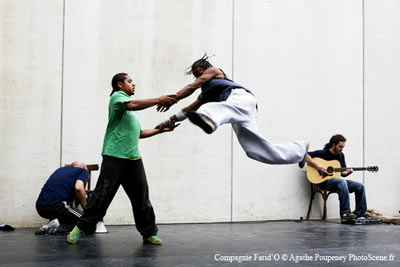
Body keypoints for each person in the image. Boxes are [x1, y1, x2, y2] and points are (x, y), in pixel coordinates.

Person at [67, 73, 177, 245]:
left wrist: (160, 130)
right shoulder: (118, 98)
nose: (134, 84)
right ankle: (80, 228)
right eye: (129, 81)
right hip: (114, 157)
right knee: (102, 196)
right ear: (119, 84)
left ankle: (148, 233)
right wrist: (158, 99)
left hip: (134, 159)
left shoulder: (132, 114)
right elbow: (132, 104)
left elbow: (139, 133)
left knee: (141, 198)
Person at [157, 54, 308, 165]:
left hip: (240, 99)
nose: (198, 78)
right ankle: (299, 150)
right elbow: (187, 110)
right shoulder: (205, 94)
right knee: (253, 150)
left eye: (200, 74)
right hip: (241, 111)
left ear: (207, 69)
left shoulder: (215, 71)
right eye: (196, 76)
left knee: (211, 109)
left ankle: (208, 119)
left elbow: (192, 87)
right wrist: (165, 123)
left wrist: (173, 98)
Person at [306, 134, 368, 223]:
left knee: (360, 186)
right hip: (323, 182)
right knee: (342, 182)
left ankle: (359, 214)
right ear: (333, 144)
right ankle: (345, 213)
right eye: (340, 146)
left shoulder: (341, 155)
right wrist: (318, 167)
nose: (342, 149)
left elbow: (342, 173)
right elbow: (305, 156)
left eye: (343, 147)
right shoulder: (323, 153)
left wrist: (347, 172)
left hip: (337, 182)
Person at [35, 161, 89, 235]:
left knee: (68, 218)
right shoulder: (83, 171)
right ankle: (56, 228)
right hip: (57, 206)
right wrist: (86, 209)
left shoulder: (60, 170)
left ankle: (50, 225)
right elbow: (79, 187)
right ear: (84, 168)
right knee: (87, 223)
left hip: (40, 207)